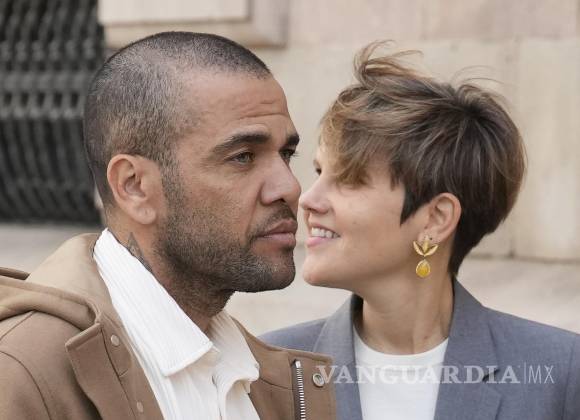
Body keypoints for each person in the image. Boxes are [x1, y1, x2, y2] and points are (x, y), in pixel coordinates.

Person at [0, 32, 335, 420]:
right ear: (134, 186)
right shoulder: (24, 374)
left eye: (286, 154)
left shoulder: (268, 375)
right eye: (243, 157)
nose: (289, 187)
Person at [262, 43, 580, 420]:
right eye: (319, 172)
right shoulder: (267, 374)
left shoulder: (560, 373)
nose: (307, 200)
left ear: (436, 219)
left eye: (349, 179)